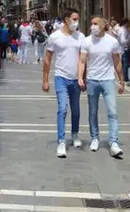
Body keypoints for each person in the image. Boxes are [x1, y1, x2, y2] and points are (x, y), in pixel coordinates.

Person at [78, 17, 124, 157]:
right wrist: (80, 77)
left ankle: (114, 142)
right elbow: (82, 61)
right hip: (92, 80)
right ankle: (95, 138)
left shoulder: (112, 41)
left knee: (112, 111)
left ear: (103, 26)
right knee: (93, 111)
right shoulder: (86, 41)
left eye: (95, 24)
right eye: (91, 24)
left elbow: (117, 61)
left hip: (108, 80)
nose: (92, 26)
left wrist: (121, 80)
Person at [42, 8, 85, 158]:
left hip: (76, 78)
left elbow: (83, 59)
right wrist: (45, 80)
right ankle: (61, 141)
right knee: (62, 109)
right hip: (61, 77)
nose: (76, 22)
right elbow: (47, 59)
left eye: (77, 19)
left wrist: (83, 77)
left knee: (76, 110)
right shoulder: (55, 37)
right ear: (66, 20)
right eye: (74, 19)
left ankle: (75, 134)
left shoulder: (81, 37)